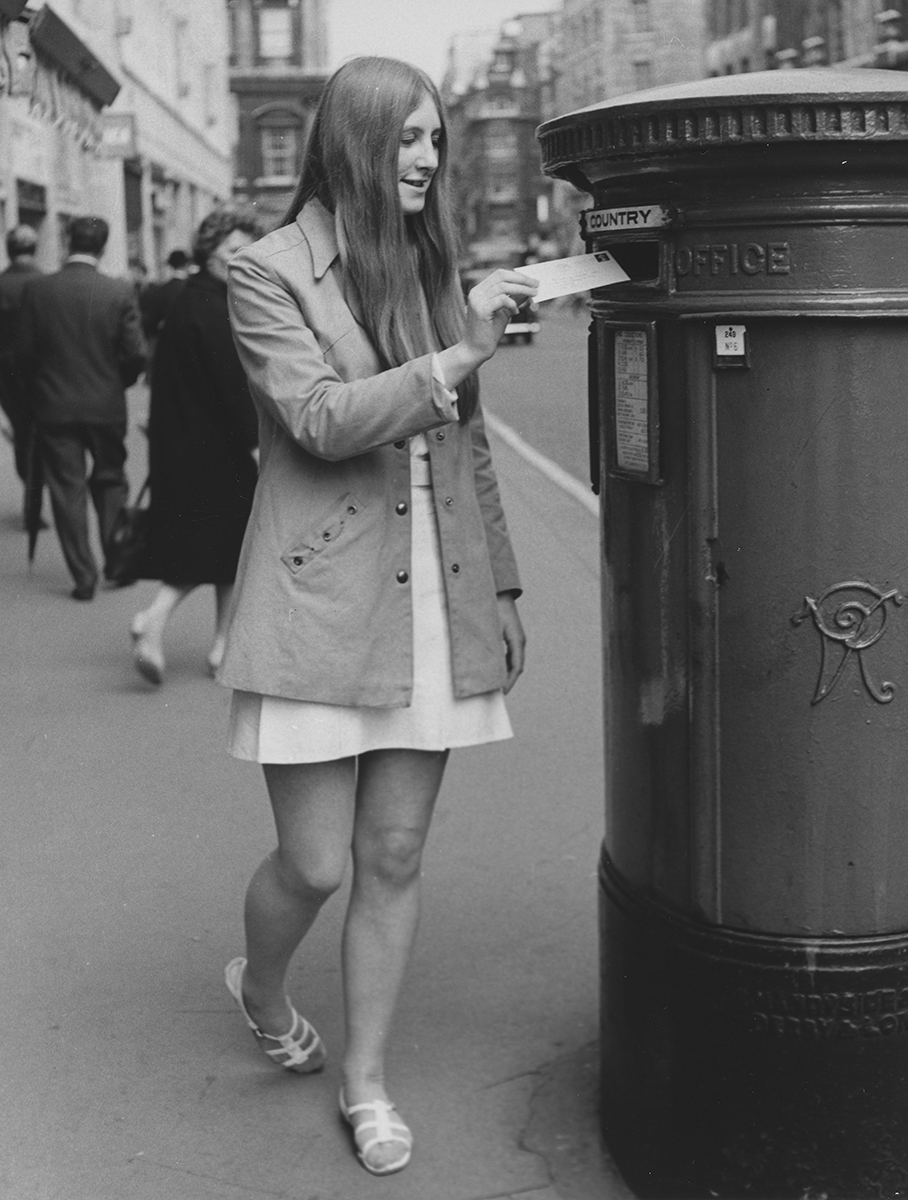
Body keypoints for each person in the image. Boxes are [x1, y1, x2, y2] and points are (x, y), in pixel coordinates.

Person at [216, 57, 537, 1176]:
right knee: (314, 865)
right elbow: (316, 418)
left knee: (391, 854)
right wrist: (458, 353)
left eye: (436, 139)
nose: (427, 158)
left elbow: (470, 447)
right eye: (406, 138)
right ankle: (260, 984)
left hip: (436, 591)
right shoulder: (268, 272)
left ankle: (365, 1083)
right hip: (318, 591)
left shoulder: (433, 265)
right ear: (354, 139)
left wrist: (498, 586)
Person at [129, 210, 263, 685]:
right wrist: (254, 444)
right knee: (215, 546)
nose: (240, 260)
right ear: (210, 253)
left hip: (183, 441)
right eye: (232, 252)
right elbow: (232, 387)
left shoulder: (189, 299)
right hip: (216, 448)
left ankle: (224, 645)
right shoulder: (218, 306)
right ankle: (155, 620)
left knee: (227, 547)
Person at [18, 216, 147, 599]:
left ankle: (83, 576)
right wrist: (115, 382)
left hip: (54, 407)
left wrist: (39, 392)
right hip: (106, 405)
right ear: (103, 247)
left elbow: (23, 355)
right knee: (110, 480)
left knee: (66, 488)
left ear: (66, 241)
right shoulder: (118, 291)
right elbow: (136, 354)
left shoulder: (39, 290)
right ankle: (116, 563)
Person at [0, 225, 41, 510]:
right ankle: (36, 487)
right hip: (41, 372)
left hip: (6, 373)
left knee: (21, 430)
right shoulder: (46, 282)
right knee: (38, 431)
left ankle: (29, 481)